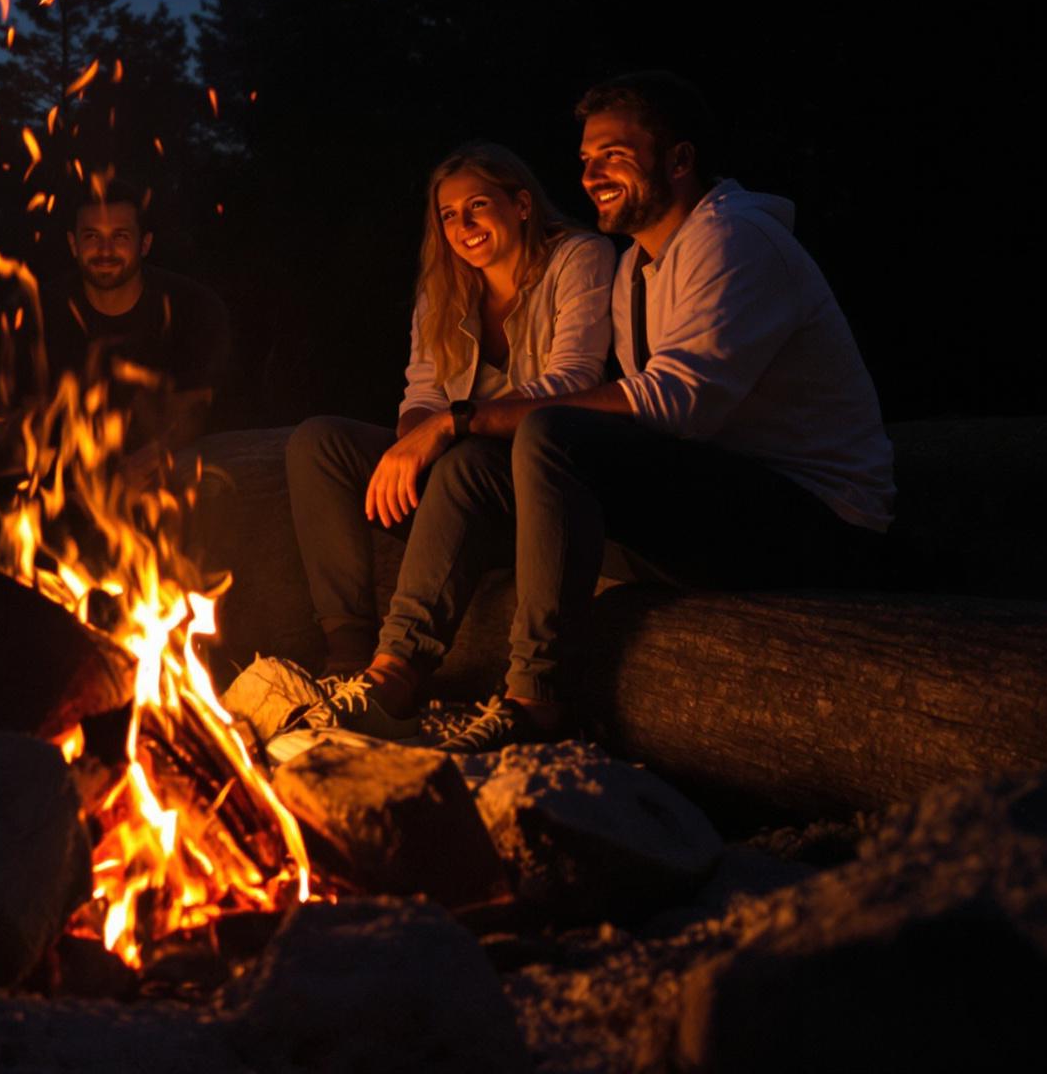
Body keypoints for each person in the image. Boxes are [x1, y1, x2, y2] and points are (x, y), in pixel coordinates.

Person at [310, 73, 894, 755]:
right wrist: (446, 430)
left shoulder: (737, 241)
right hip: (711, 495)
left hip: (812, 519)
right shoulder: (638, 271)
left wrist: (458, 418)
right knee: (471, 469)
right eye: (585, 160)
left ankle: (538, 698)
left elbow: (673, 403)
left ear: (679, 160)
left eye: (613, 154)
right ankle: (391, 677)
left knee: (550, 433)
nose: (591, 175)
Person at [286, 143, 614, 677]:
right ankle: (345, 649)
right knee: (319, 442)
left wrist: (448, 429)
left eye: (478, 205)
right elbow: (422, 393)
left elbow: (573, 380)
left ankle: (399, 673)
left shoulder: (579, 258)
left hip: (534, 483)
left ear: (522, 205)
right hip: (454, 467)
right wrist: (415, 440)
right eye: (448, 215)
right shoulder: (443, 287)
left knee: (467, 461)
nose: (463, 225)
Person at [27, 179, 233, 465]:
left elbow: (194, 411)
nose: (105, 250)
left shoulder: (193, 308)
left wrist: (141, 467)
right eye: (91, 237)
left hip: (175, 468)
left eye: (120, 236)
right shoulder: (40, 314)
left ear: (144, 243)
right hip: (66, 475)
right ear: (73, 244)